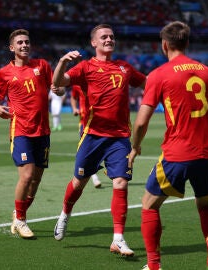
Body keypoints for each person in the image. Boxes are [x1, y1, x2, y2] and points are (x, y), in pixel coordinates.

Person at [128, 21, 208, 270]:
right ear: (187, 42)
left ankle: (153, 265)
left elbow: (141, 122)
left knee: (149, 204)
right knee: (205, 204)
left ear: (164, 44)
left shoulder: (159, 75)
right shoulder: (207, 71)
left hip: (178, 152)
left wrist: (134, 147)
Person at [52, 24, 146, 256]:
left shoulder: (125, 68)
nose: (109, 39)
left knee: (121, 183)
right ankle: (65, 213)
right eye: (104, 37)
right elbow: (59, 81)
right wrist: (63, 61)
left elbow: (148, 83)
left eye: (112, 36)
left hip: (120, 138)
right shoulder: (85, 67)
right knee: (78, 182)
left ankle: (118, 239)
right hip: (92, 136)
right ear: (94, 42)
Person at [0, 29, 64, 239]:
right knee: (27, 175)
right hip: (21, 129)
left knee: (36, 181)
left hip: (42, 130)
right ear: (12, 48)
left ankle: (17, 214)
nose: (24, 45)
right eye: (20, 42)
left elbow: (57, 86)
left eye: (27, 42)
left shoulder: (42, 65)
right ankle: (21, 220)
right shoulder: (4, 72)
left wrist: (60, 90)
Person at [70, 84, 102, 188]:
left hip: (99, 120)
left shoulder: (97, 79)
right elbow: (73, 97)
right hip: (84, 122)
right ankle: (94, 175)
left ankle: (93, 169)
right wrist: (74, 108)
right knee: (87, 148)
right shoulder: (77, 84)